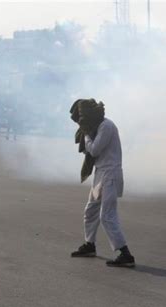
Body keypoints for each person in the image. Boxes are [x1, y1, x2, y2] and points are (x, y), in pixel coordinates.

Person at [70, 99, 135, 268]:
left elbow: (95, 149)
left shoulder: (106, 126)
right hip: (101, 173)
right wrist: (87, 133)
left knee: (107, 216)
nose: (82, 120)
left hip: (110, 175)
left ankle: (125, 254)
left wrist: (85, 135)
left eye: (84, 116)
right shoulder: (96, 127)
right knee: (90, 211)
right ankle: (89, 245)